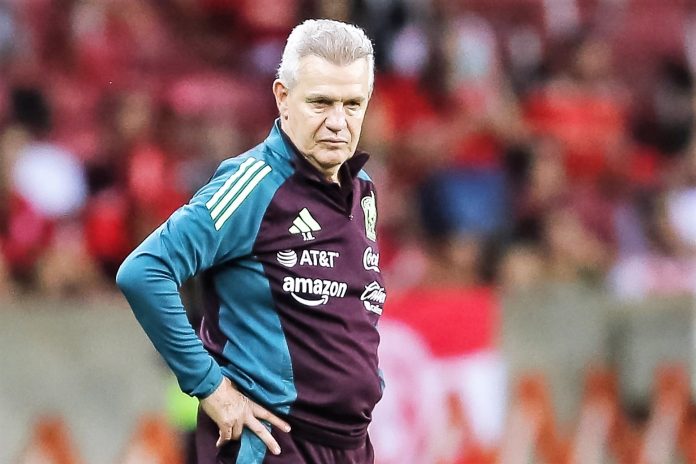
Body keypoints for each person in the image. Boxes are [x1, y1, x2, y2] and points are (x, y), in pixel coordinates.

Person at [116, 19, 386, 464]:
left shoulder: (363, 189)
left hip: (350, 445)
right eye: (320, 102)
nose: (338, 122)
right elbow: (144, 270)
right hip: (274, 443)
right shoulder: (253, 185)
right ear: (283, 97)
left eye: (352, 104)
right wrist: (211, 388)